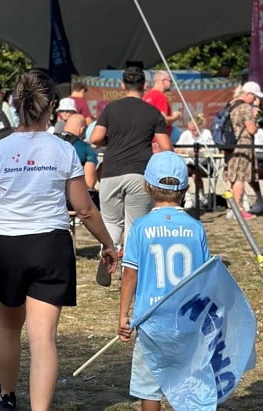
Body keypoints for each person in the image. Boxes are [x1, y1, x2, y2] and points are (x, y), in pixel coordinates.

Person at [0, 68, 117, 411]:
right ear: (51, 106)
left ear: (15, 104)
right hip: (50, 246)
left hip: (6, 246)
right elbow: (84, 210)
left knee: (8, 327)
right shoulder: (64, 150)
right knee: (43, 340)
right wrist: (108, 243)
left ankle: (7, 396)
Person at [118, 151, 211, 411]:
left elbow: (130, 274)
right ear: (185, 187)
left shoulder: (140, 227)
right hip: (188, 320)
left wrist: (123, 315)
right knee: (191, 383)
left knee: (150, 388)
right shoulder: (196, 228)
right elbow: (205, 277)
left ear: (147, 187)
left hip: (150, 321)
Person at [90, 65, 171, 286]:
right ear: (144, 86)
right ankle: (131, 274)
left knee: (111, 221)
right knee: (135, 225)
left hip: (111, 171)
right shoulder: (153, 112)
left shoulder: (110, 109)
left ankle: (107, 254)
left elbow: (95, 138)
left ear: (122, 86)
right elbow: (166, 147)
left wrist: (113, 140)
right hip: (139, 172)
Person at [223, 81, 263, 220]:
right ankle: (239, 209)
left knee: (230, 177)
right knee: (240, 177)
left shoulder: (231, 104)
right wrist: (255, 117)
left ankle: (230, 208)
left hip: (229, 145)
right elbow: (251, 129)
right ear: (248, 94)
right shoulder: (245, 107)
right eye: (254, 96)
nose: (255, 100)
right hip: (242, 144)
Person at [174, 113, 216, 208]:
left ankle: (201, 196)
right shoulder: (185, 134)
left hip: (204, 164)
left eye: (194, 130)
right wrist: (182, 150)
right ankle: (187, 197)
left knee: (195, 174)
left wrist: (199, 151)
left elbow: (212, 149)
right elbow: (177, 147)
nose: (192, 132)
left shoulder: (206, 133)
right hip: (189, 163)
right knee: (181, 172)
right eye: (190, 130)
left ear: (200, 127)